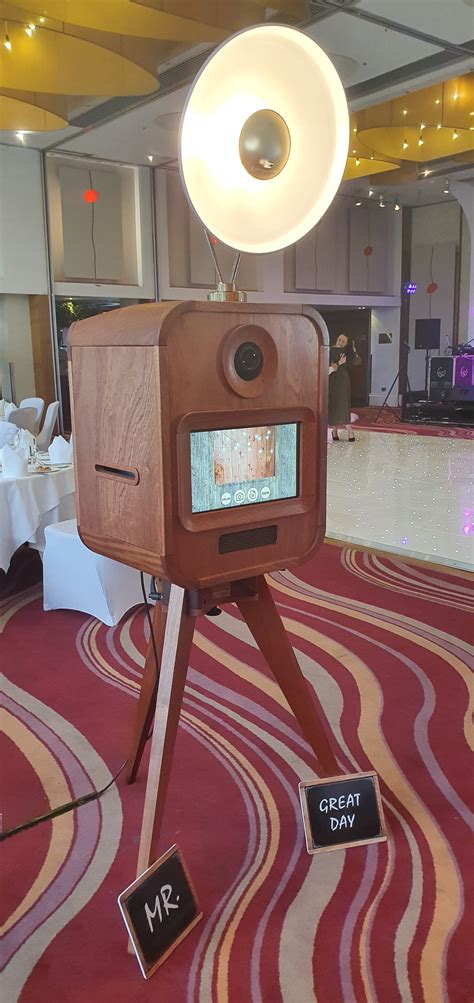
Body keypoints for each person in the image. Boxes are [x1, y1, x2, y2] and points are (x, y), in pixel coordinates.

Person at [328, 333, 360, 441]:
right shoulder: (329, 349)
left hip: (342, 380)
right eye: (339, 339)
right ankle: (334, 429)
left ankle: (349, 430)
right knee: (333, 404)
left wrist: (354, 350)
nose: (340, 342)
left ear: (346, 344)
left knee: (342, 403)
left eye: (343, 341)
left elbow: (357, 362)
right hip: (331, 378)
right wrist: (337, 363)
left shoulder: (347, 352)